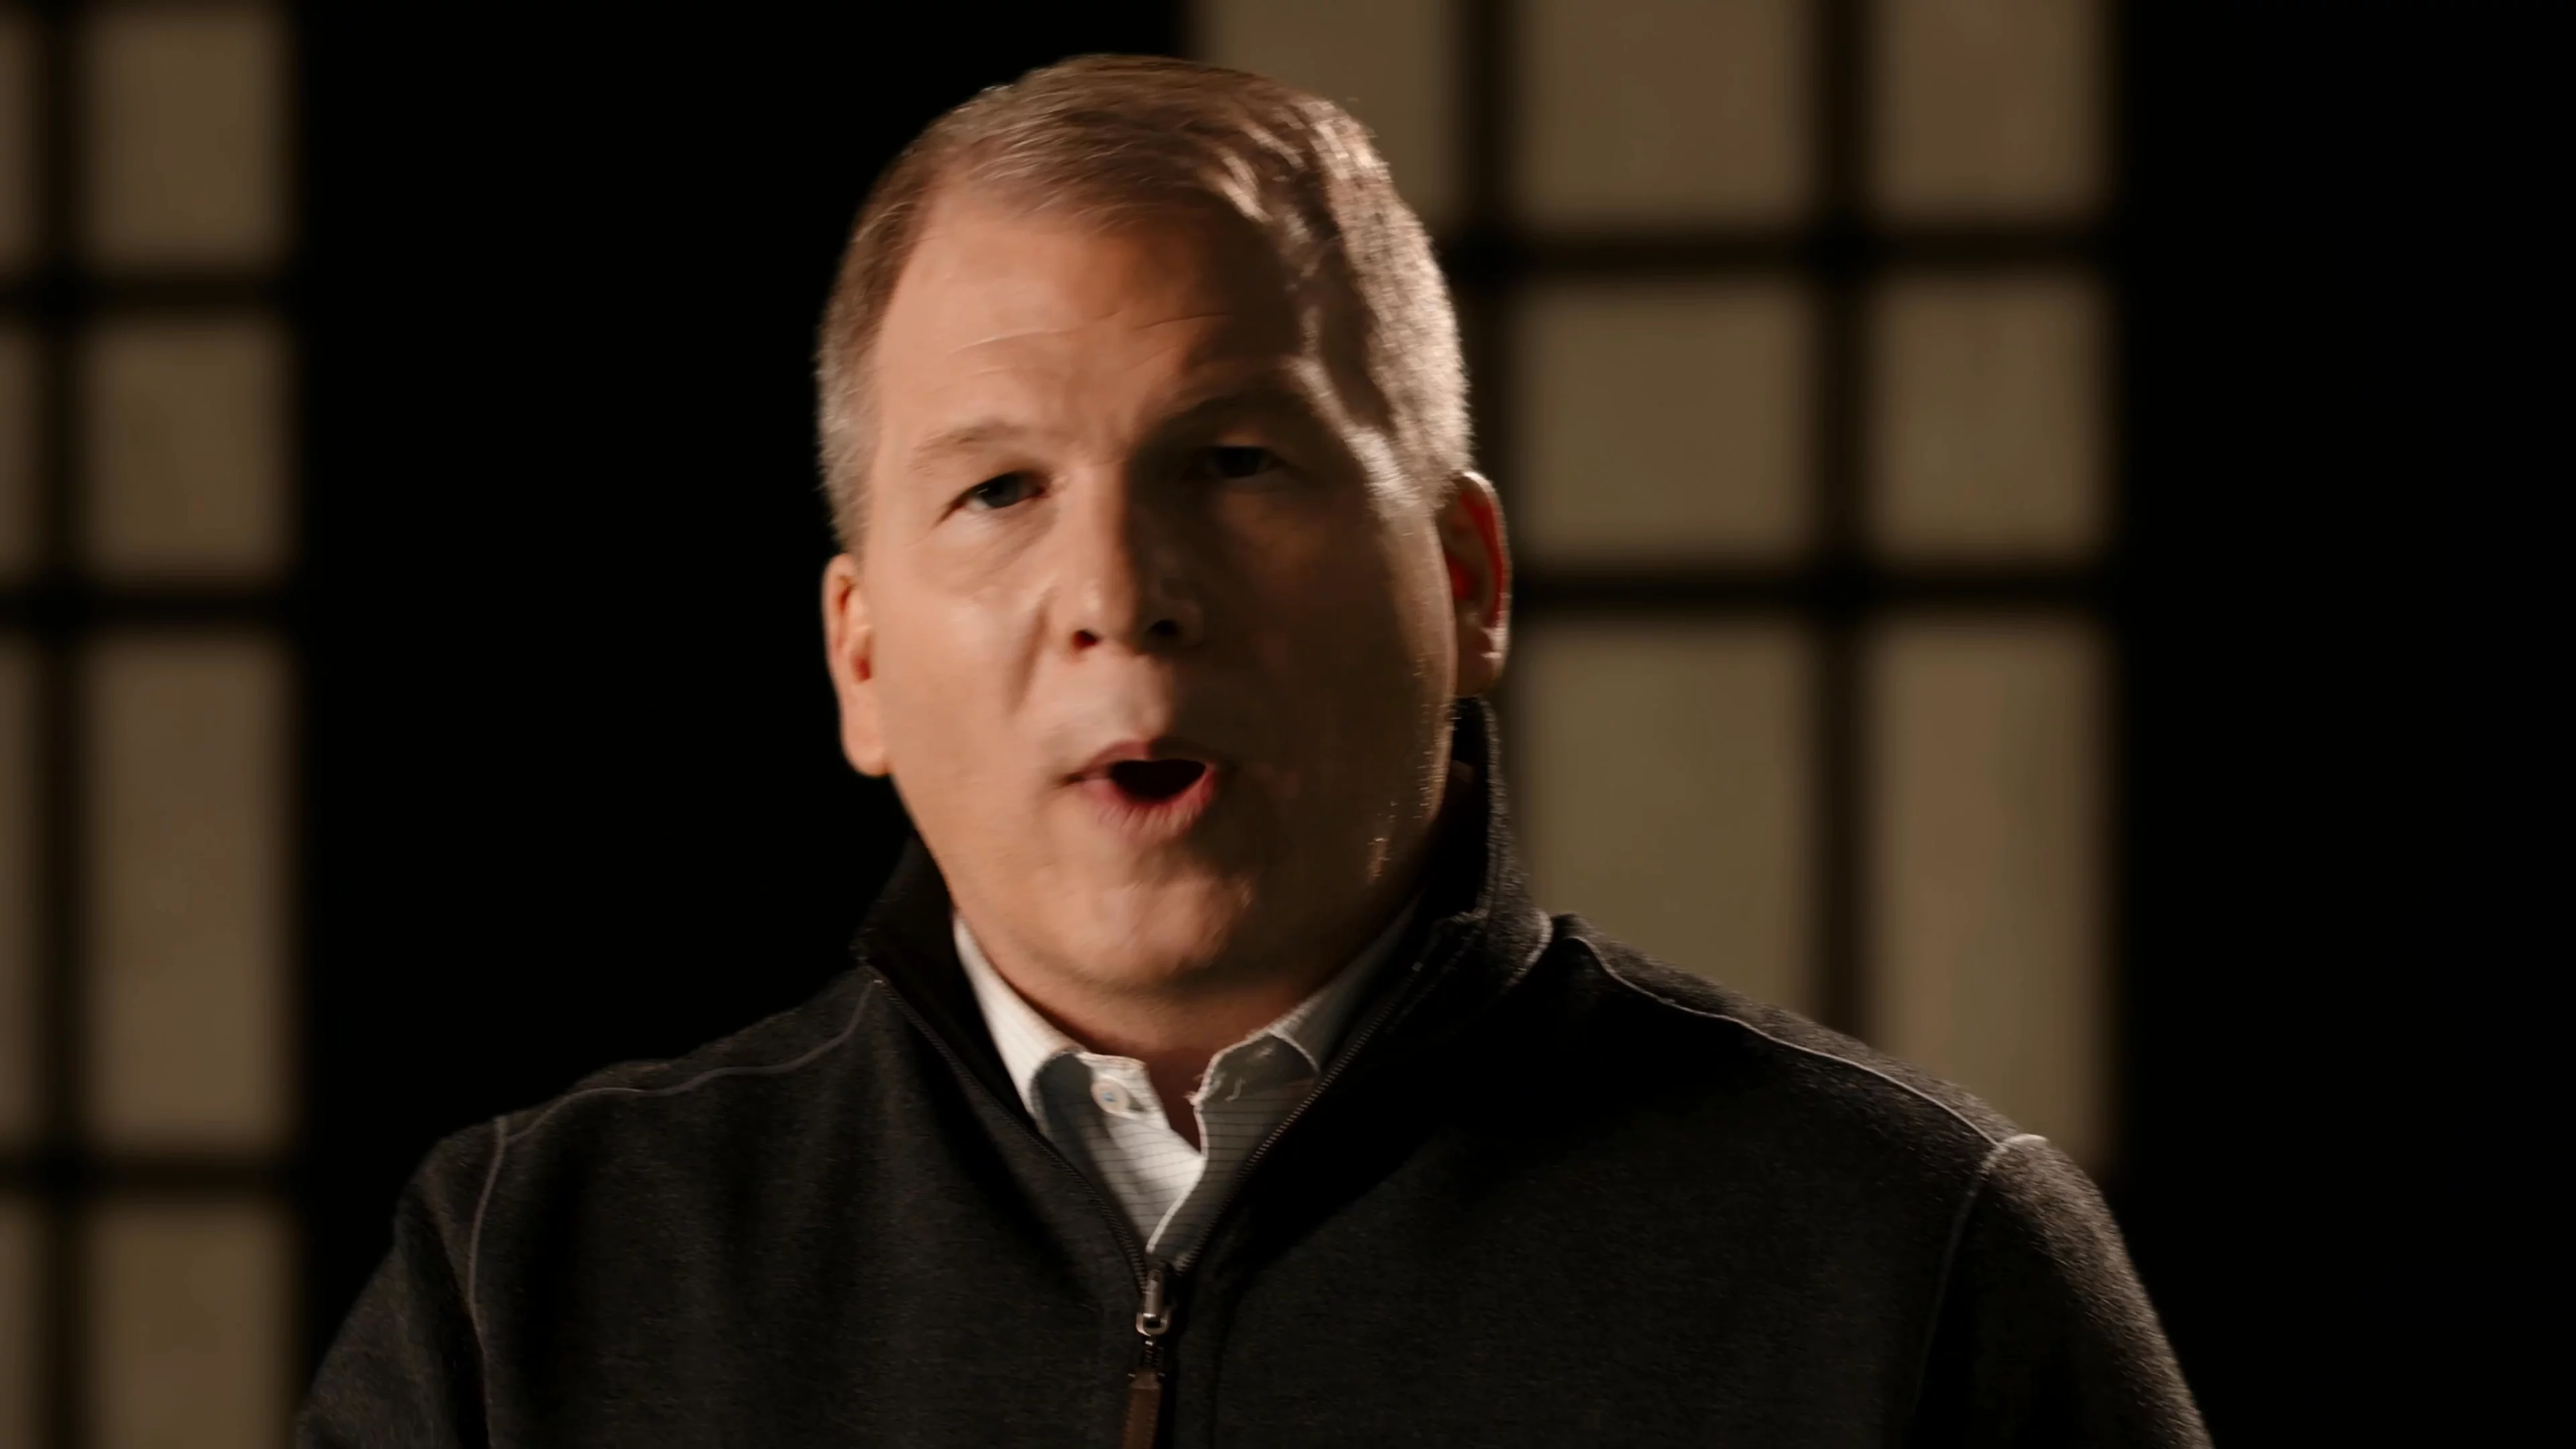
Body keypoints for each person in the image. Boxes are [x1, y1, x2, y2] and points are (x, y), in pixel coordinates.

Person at [301, 56, 2205, 1448]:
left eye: (1234, 461)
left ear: (1465, 581)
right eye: (999, 490)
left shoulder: (1912, 1261)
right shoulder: (530, 1276)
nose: (1120, 595)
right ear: (858, 658)